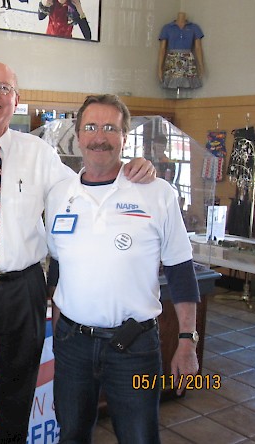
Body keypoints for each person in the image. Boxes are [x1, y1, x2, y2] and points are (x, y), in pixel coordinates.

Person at [0, 62, 155, 443]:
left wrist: (128, 168)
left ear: (17, 100)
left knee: (17, 394)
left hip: (23, 290)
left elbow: (86, 188)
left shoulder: (39, 153)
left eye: (4, 88)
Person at [45, 94, 200, 443]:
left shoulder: (156, 192)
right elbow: (57, 266)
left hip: (134, 346)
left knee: (139, 437)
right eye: (91, 127)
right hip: (73, 346)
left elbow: (179, 268)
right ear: (78, 135)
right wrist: (59, 328)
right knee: (70, 434)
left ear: (124, 137)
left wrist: (187, 340)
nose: (100, 137)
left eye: (110, 128)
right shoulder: (58, 195)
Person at [158, 12, 204, 90]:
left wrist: (201, 65)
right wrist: (159, 68)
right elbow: (162, 49)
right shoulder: (167, 28)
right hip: (172, 58)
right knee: (173, 82)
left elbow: (198, 48)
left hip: (188, 59)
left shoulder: (194, 27)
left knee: (188, 84)